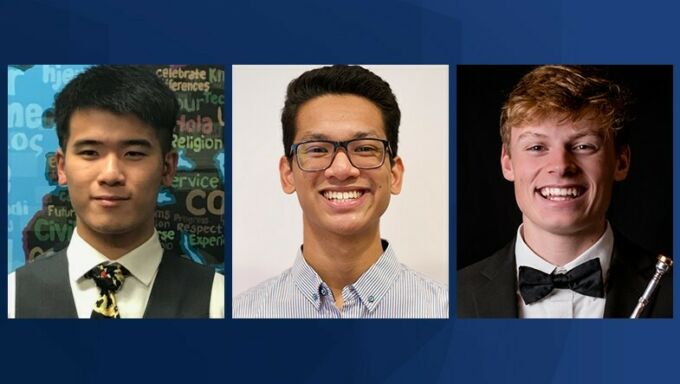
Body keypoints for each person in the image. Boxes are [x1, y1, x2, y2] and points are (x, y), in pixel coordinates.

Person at [8, 65, 224, 318]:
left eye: (133, 154)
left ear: (167, 168)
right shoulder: (12, 298)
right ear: (62, 167)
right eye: (90, 152)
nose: (111, 174)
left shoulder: (217, 302)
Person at [233, 65, 448, 318]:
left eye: (365, 149)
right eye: (317, 149)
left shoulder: (444, 309)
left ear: (394, 174)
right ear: (287, 173)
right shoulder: (243, 314)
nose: (342, 169)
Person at [457, 65, 672, 318]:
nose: (560, 166)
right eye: (537, 147)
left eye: (583, 146)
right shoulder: (454, 296)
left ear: (621, 162)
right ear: (507, 162)